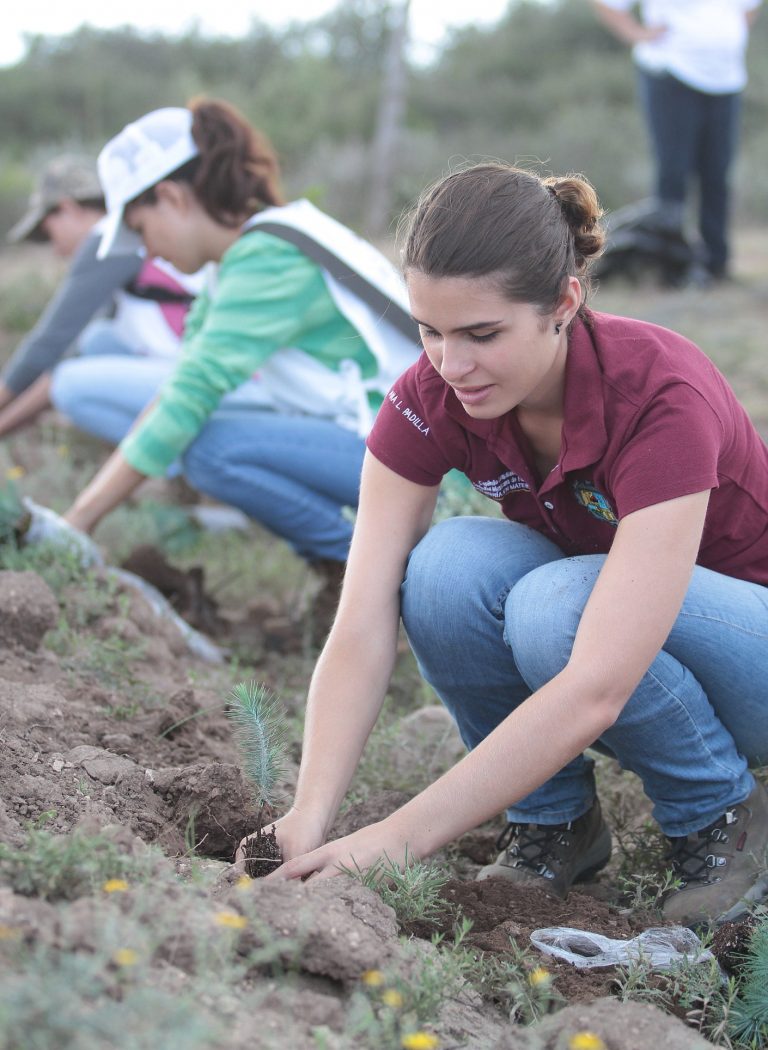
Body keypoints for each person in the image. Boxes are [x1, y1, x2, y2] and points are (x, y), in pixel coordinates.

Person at [254, 163, 768, 929]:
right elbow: (361, 618)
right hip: (621, 629)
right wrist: (309, 813)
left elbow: (597, 682)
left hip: (747, 654)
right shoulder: (433, 398)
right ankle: (554, 824)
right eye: (429, 330)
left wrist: (398, 838)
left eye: (481, 334)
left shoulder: (660, 395)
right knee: (442, 569)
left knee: (555, 603)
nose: (450, 365)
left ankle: (718, 815)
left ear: (563, 303)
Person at [58, 99, 420, 633]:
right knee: (205, 436)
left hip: (419, 455)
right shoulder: (251, 251)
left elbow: (189, 398)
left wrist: (80, 520)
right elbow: (184, 380)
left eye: (141, 227)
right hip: (381, 438)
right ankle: (353, 572)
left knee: (211, 450)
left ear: (173, 197)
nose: (147, 253)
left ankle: (384, 577)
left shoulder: (269, 257)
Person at [1, 155, 201, 445]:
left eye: (48, 233)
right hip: (184, 361)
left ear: (68, 209)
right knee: (97, 339)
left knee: (70, 384)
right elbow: (68, 355)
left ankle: (169, 453)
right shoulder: (128, 237)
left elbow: (47, 344)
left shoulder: (106, 240)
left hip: (194, 372)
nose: (56, 250)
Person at [592, 0, 762, 283]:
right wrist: (637, 34)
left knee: (717, 172)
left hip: (726, 79)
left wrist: (728, 32)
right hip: (671, 72)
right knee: (674, 172)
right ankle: (673, 266)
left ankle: (716, 264)